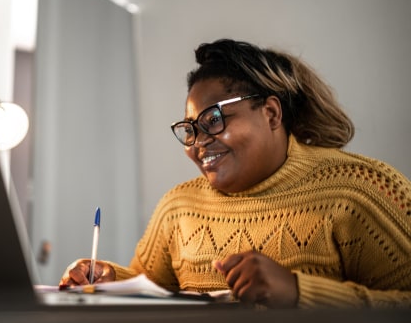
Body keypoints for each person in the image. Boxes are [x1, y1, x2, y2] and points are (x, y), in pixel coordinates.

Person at [59, 39, 411, 308]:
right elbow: (147, 288)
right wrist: (103, 280)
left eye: (214, 119)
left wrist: (298, 292)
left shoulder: (361, 190)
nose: (198, 142)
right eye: (190, 128)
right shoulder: (178, 206)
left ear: (271, 114)